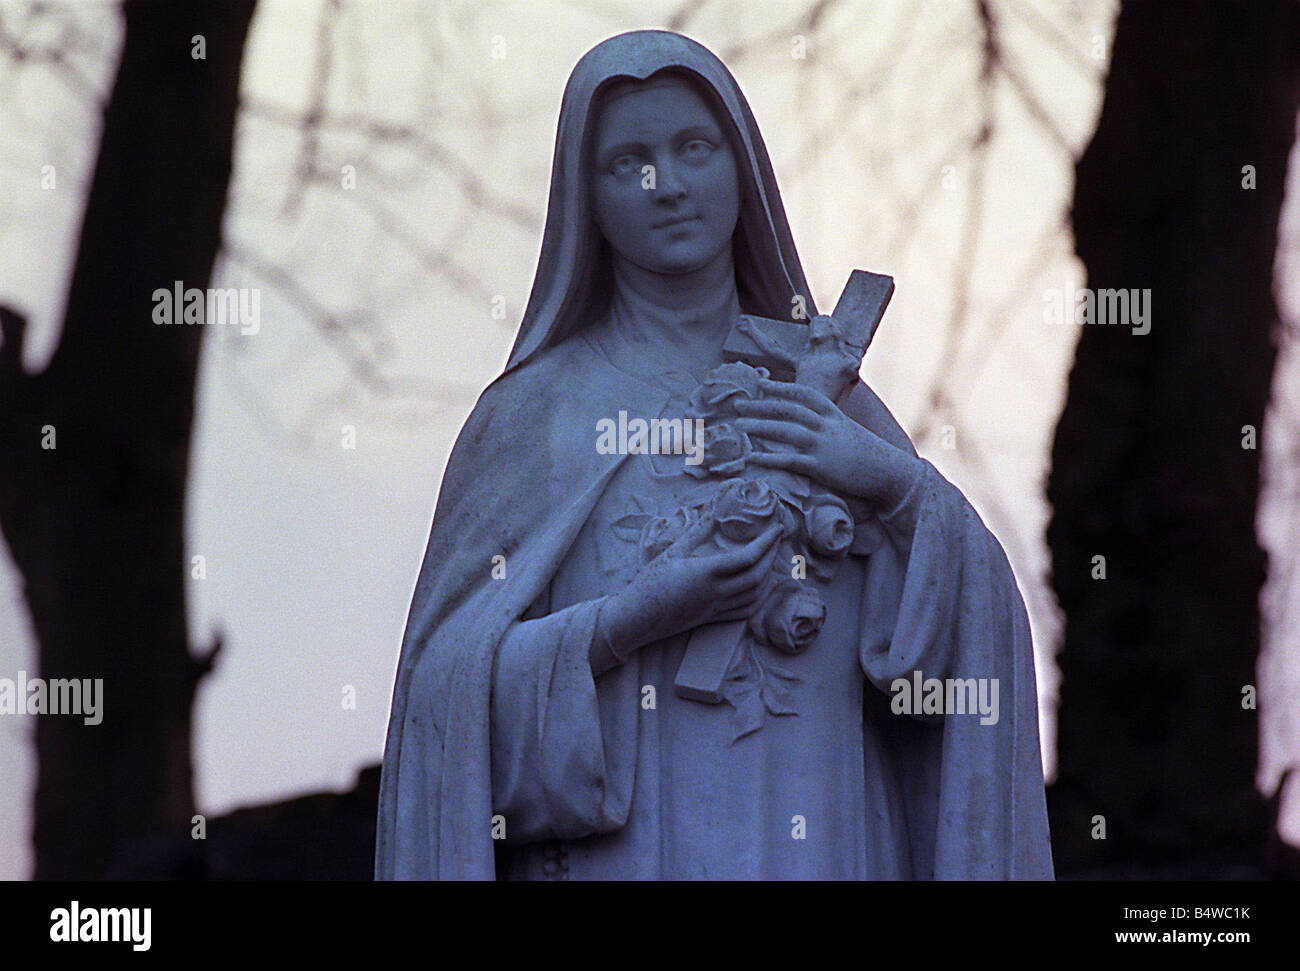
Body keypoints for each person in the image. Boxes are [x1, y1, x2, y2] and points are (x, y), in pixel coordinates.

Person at [376, 29, 1053, 880]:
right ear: (586, 197)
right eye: (628, 162)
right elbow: (443, 712)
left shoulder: (836, 407)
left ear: (742, 169)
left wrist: (893, 484)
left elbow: (962, 659)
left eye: (694, 147)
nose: (667, 185)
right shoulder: (535, 418)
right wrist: (628, 622)